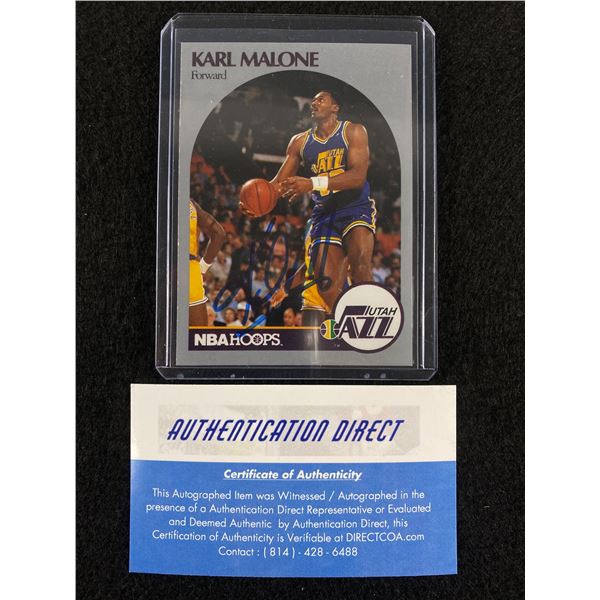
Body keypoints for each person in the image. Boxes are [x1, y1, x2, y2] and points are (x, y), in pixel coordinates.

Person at [263, 90, 376, 314]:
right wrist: (256, 201)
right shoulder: (299, 142)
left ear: (335, 108)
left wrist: (312, 183)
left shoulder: (353, 131)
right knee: (325, 283)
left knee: (360, 266)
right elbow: (278, 184)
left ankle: (370, 318)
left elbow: (357, 177)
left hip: (354, 207)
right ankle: (346, 320)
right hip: (325, 213)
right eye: (313, 100)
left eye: (321, 100)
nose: (314, 103)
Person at [189, 199, 226, 326]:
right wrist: (203, 268)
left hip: (161, 266)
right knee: (198, 335)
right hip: (189, 270)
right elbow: (219, 233)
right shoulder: (191, 204)